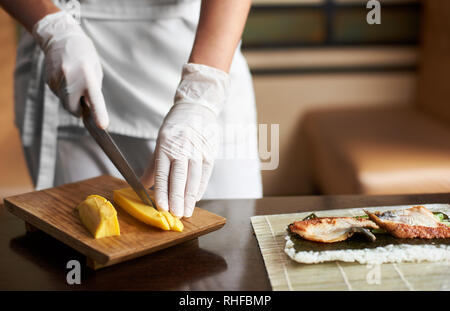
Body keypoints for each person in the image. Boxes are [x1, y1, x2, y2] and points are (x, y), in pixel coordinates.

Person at [0, 0, 262, 218]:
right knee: (83, 264)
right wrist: (52, 28)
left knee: (232, 248)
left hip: (206, 56)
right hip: (69, 65)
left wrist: (201, 92)